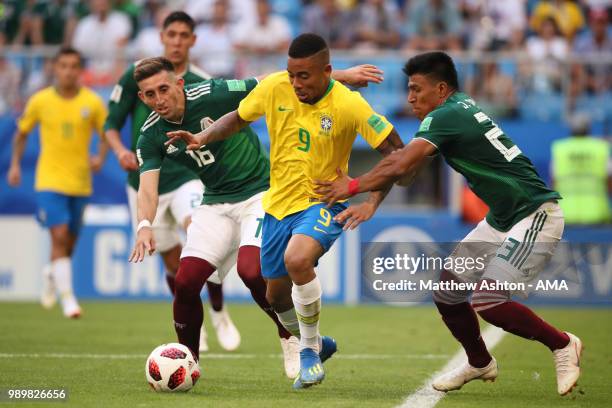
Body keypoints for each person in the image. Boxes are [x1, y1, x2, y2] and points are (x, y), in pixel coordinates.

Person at [315, 51, 582, 396]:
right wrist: (372, 199)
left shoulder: (446, 116)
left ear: (440, 89)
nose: (410, 97)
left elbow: (399, 167)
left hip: (534, 214)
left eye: (416, 89)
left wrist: (351, 186)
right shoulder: (456, 110)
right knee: (449, 291)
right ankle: (479, 361)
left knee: (488, 301)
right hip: (503, 218)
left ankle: (562, 344)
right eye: (408, 90)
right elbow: (404, 170)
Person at [165, 33, 404, 389]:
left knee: (298, 260)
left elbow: (397, 153)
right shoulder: (276, 86)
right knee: (275, 296)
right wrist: (205, 137)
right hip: (277, 206)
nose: (295, 83)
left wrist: (369, 199)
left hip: (322, 202)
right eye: (291, 74)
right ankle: (318, 343)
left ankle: (307, 352)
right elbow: (239, 117)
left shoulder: (349, 105)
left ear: (327, 71)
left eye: (304, 76)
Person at [103, 11, 240, 353]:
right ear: (161, 37)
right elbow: (111, 123)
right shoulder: (136, 77)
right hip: (143, 182)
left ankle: (221, 311)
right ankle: (195, 320)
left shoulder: (200, 81)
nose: (177, 41)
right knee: (171, 261)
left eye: (184, 35)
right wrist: (120, 150)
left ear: (193, 40)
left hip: (186, 178)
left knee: (198, 233)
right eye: (171, 35)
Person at [7, 47, 108, 318]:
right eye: (63, 65)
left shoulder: (93, 102)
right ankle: (68, 300)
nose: (68, 71)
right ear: (55, 68)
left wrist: (99, 156)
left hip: (80, 183)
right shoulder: (40, 101)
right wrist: (15, 165)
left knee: (69, 243)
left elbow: (107, 133)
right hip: (49, 180)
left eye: (74, 66)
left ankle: (52, 273)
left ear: (80, 70)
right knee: (59, 236)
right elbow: (21, 133)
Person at [551, 114, 611, 224]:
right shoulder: (601, 147)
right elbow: (609, 182)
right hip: (597, 214)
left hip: (565, 215)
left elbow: (554, 183)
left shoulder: (560, 148)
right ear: (589, 128)